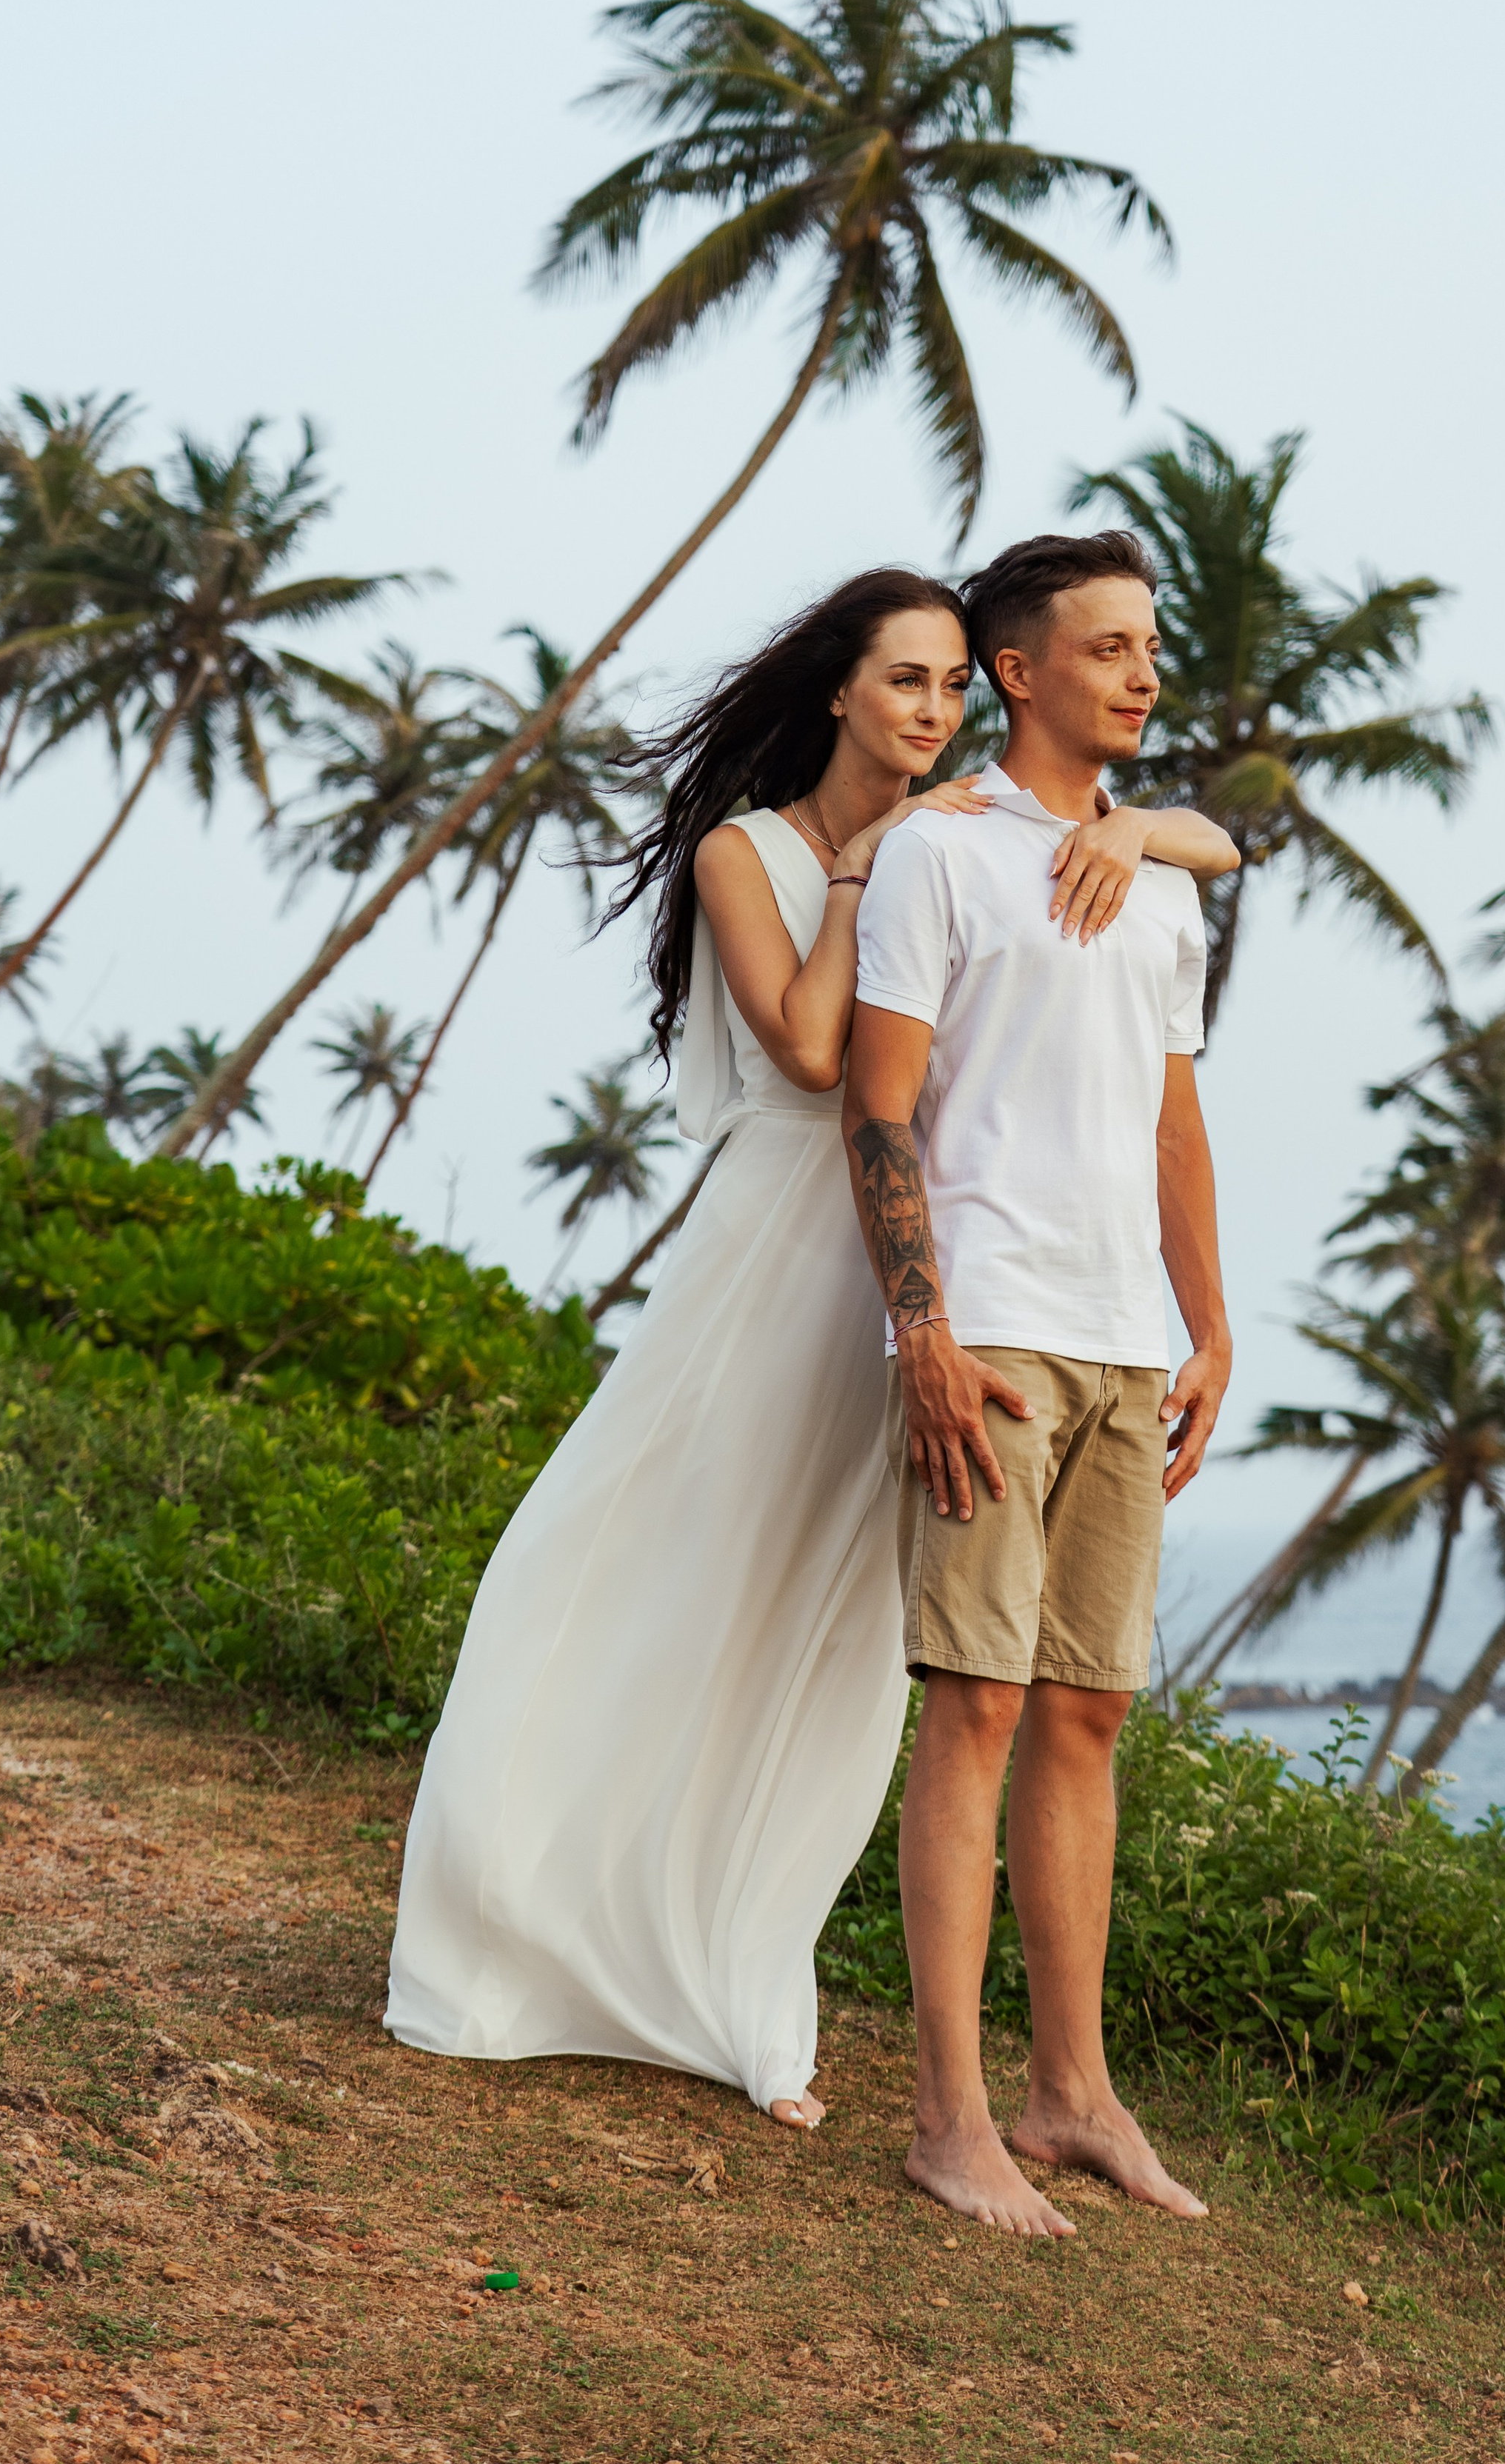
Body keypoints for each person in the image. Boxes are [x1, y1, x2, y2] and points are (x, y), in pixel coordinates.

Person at [385, 567, 1235, 2129]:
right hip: (785, 1251)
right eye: (901, 683)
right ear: (837, 691)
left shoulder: (954, 844)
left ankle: (735, 1976)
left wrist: (1127, 826)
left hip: (910, 1273)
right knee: (662, 1566)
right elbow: (814, 1051)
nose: (928, 713)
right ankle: (518, 1908)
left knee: (841, 1646)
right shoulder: (758, 851)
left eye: (943, 689)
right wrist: (857, 882)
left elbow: (1206, 844)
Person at [843, 527, 1235, 2234]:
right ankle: (947, 2116)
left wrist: (1209, 1326)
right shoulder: (941, 855)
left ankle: (1068, 2095)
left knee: (1087, 1712)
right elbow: (879, 1107)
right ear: (1019, 669)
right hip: (989, 1329)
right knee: (976, 1705)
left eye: (1151, 646)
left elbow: (1171, 1120)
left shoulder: (1156, 879)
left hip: (1122, 1338)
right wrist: (919, 1332)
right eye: (1107, 647)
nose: (1142, 672)